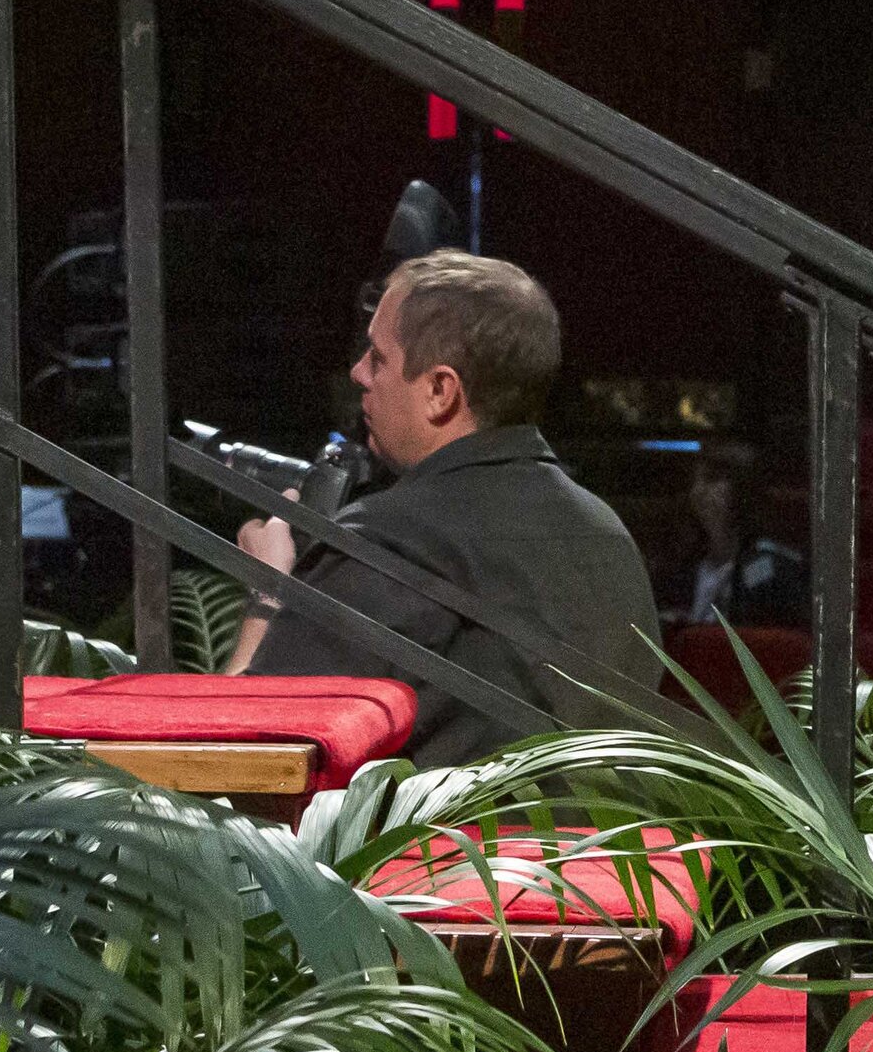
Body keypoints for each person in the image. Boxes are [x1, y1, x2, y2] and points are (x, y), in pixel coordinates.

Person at [235, 249, 660, 766]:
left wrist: (269, 590)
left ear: (440, 391)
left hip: (449, 848)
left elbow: (248, 758)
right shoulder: (608, 535)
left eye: (379, 358)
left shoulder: (386, 540)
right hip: (609, 846)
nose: (357, 373)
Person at [650, 441, 806, 630]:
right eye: (695, 482)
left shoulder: (771, 565)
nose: (697, 491)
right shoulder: (682, 565)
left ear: (742, 488)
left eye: (712, 479)